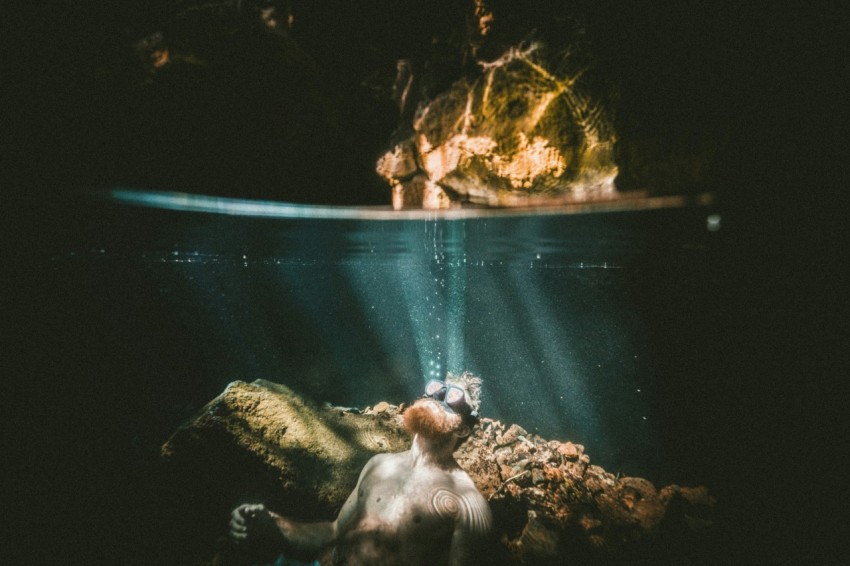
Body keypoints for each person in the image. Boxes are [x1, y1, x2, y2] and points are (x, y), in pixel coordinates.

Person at [229, 372, 493, 565]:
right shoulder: (379, 464)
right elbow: (333, 531)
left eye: (452, 398)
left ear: (463, 429)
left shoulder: (467, 502)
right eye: (435, 391)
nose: (437, 398)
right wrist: (273, 523)